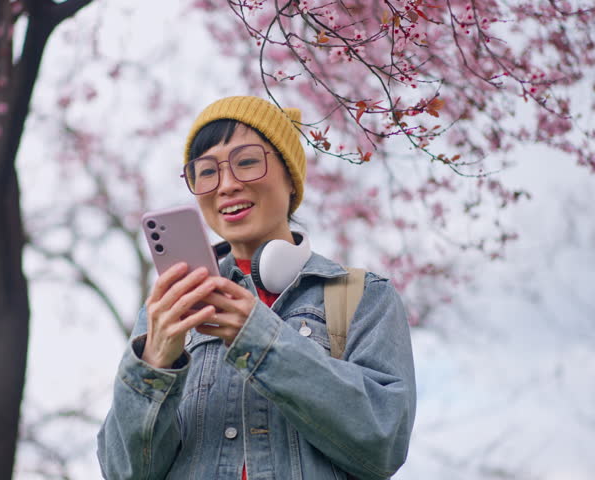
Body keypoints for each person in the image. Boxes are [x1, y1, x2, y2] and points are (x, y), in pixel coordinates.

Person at [97, 96, 416, 480]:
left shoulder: (362, 296)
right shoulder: (167, 311)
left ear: (290, 175)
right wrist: (155, 363)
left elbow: (383, 442)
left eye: (247, 162)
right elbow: (123, 472)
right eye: (206, 172)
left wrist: (262, 341)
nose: (227, 185)